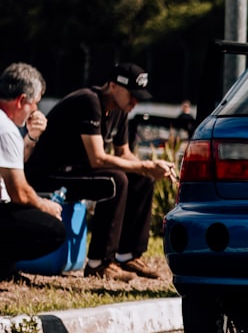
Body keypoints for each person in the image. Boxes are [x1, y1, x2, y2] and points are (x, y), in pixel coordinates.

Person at [26, 63, 176, 281]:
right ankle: (99, 262)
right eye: (132, 95)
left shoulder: (120, 109)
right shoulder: (89, 101)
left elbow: (123, 153)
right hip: (48, 174)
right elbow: (97, 159)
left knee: (141, 179)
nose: (135, 102)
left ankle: (128, 255)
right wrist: (145, 166)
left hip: (77, 171)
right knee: (114, 181)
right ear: (113, 86)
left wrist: (152, 168)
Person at [0, 63, 66, 281]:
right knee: (53, 230)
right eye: (34, 103)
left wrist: (32, 136)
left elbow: (13, 162)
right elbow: (19, 192)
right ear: (21, 101)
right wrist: (45, 205)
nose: (35, 110)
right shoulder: (6, 128)